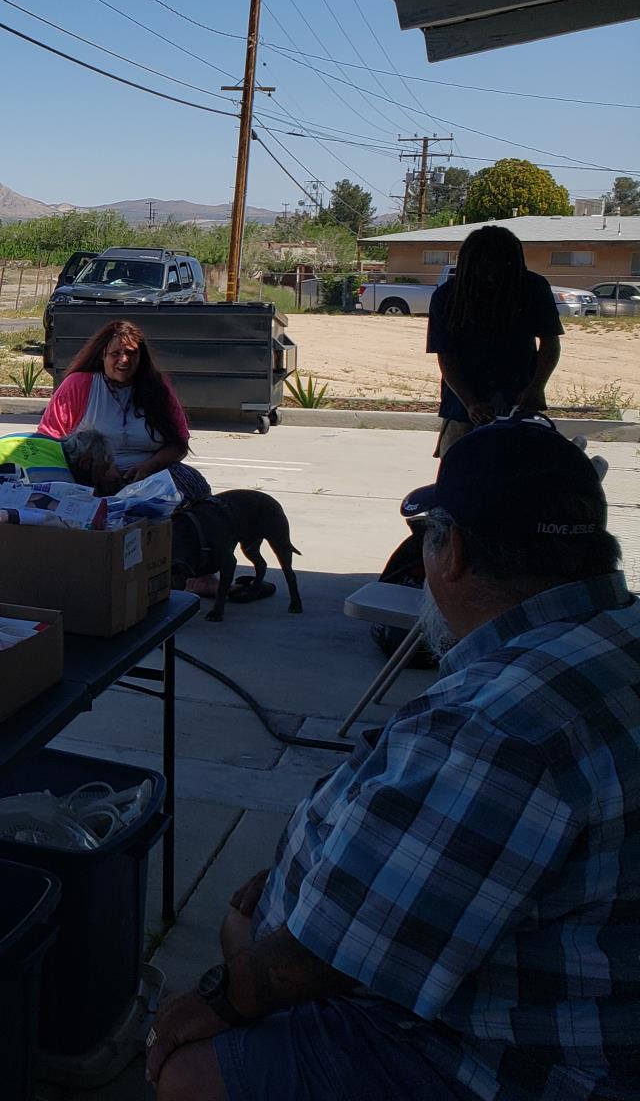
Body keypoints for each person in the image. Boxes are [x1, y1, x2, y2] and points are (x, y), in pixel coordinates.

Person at [145, 419, 637, 1101]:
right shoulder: (611, 638)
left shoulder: (502, 725)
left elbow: (352, 954)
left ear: (451, 552)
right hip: (562, 989)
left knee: (187, 1074)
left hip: (518, 1061)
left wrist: (219, 995)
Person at [38, 319, 210, 505]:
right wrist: (100, 470)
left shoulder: (158, 388)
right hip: (90, 481)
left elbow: (179, 443)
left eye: (131, 353)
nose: (124, 360)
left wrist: (150, 466)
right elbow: (47, 442)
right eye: (116, 353)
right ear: (102, 355)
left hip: (151, 478)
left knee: (196, 488)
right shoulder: (78, 384)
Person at [426, 225, 562, 457]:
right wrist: (470, 403)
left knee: (518, 473)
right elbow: (446, 355)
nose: (491, 274)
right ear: (469, 263)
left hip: (520, 400)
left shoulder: (533, 289)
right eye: (483, 266)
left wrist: (536, 388)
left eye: (501, 265)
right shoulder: (448, 297)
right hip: (462, 405)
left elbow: (550, 343)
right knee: (459, 474)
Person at [0, 429, 114, 537]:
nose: (103, 478)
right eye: (102, 471)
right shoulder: (59, 479)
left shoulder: (43, 442)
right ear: (85, 463)